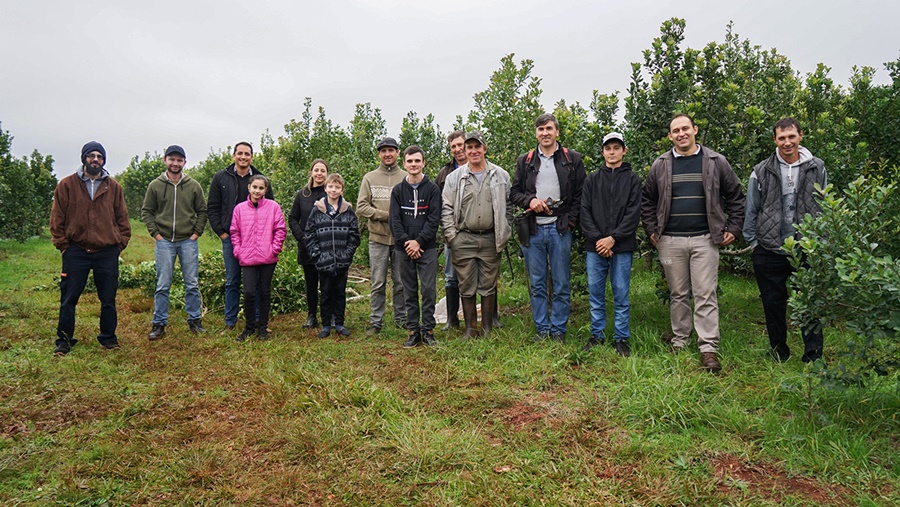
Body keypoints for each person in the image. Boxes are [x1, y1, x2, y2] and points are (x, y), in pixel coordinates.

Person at [641, 114, 745, 373]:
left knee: (705, 293)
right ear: (670, 136)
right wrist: (652, 231)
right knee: (677, 293)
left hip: (705, 239)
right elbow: (647, 201)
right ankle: (680, 339)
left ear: (695, 130)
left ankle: (708, 347)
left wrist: (733, 227)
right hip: (669, 241)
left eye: (685, 128)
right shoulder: (661, 164)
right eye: (675, 130)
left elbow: (736, 196)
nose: (681, 134)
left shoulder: (715, 161)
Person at [744, 118, 826, 363]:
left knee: (810, 303)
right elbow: (751, 208)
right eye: (782, 138)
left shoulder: (817, 167)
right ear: (775, 140)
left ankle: (813, 355)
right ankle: (779, 351)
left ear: (800, 135)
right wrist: (753, 243)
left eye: (791, 136)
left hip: (806, 247)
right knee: (773, 304)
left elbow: (823, 206)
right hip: (769, 247)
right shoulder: (761, 170)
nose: (787, 142)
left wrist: (820, 242)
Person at [49, 141, 131, 356]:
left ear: (104, 160)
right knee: (69, 298)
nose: (96, 159)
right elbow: (57, 218)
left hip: (106, 251)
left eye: (100, 156)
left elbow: (122, 218)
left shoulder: (113, 187)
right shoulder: (67, 185)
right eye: (91, 156)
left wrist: (119, 243)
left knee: (108, 298)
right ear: (84, 158)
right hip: (76, 250)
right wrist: (64, 246)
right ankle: (64, 341)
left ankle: (108, 338)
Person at [510, 113, 586, 343]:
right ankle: (542, 329)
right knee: (537, 282)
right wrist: (530, 201)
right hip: (533, 229)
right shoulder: (526, 160)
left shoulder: (572, 159)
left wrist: (570, 221)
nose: (545, 133)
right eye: (541, 129)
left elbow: (581, 195)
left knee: (562, 282)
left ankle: (559, 330)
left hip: (559, 228)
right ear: (536, 133)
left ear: (557, 132)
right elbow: (514, 193)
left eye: (549, 129)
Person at [441, 131, 511, 338]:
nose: (473, 151)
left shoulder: (501, 175)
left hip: (491, 237)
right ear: (465, 150)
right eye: (469, 147)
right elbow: (446, 208)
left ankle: (487, 328)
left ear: (484, 148)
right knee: (466, 283)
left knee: (489, 284)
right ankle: (470, 329)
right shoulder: (454, 177)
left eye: (477, 147)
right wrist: (451, 236)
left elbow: (509, 208)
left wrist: (505, 231)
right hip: (463, 237)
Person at [580, 132, 642, 356]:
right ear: (603, 152)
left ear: (624, 150)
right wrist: (599, 239)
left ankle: (621, 338)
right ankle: (597, 335)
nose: (612, 152)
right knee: (596, 294)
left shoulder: (633, 180)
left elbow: (634, 214)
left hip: (622, 246)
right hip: (595, 247)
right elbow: (584, 211)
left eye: (617, 147)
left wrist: (613, 238)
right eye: (608, 148)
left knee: (621, 293)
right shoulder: (592, 180)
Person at [141, 145, 208, 340]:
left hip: (188, 241)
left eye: (179, 160)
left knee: (192, 283)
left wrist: (196, 233)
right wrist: (156, 234)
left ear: (185, 162)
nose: (175, 163)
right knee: (163, 284)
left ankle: (195, 320)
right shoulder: (155, 185)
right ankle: (159, 323)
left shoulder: (193, 185)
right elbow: (147, 211)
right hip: (164, 242)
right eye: (172, 159)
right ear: (165, 160)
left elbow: (202, 211)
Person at [207, 142, 274, 330]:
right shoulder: (221, 177)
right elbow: (212, 206)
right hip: (231, 237)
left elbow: (271, 208)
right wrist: (221, 232)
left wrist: (269, 241)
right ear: (234, 155)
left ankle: (258, 320)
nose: (243, 157)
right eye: (240, 153)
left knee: (257, 282)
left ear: (252, 156)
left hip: (258, 240)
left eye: (247, 154)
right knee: (233, 280)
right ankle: (230, 320)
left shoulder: (261, 179)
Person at [390, 146, 442, 347]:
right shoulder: (397, 191)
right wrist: (407, 243)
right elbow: (394, 221)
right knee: (409, 289)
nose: (413, 165)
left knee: (428, 289)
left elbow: (433, 219)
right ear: (404, 164)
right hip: (403, 249)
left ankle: (428, 329)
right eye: (410, 161)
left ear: (423, 163)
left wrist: (418, 241)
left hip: (426, 248)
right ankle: (413, 330)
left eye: (417, 161)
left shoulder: (432, 189)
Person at [357, 136, 407, 335]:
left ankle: (401, 318)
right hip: (377, 238)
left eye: (391, 150)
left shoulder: (405, 176)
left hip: (400, 239)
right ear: (379, 154)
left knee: (401, 282)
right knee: (378, 281)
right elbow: (361, 207)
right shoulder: (370, 178)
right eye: (383, 151)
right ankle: (376, 320)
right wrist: (384, 216)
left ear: (397, 153)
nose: (387, 154)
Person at [230, 175, 287, 342]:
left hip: (267, 257)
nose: (257, 191)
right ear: (249, 187)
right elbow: (234, 231)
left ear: (265, 190)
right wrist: (238, 251)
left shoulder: (273, 207)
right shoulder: (239, 209)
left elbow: (280, 229)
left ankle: (262, 327)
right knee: (248, 292)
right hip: (247, 257)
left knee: (264, 291)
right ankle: (249, 327)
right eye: (254, 187)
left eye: (261, 188)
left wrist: (274, 249)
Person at [305, 174, 360, 338]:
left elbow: (354, 236)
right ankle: (326, 324)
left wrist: (347, 255)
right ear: (325, 188)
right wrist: (317, 255)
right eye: (330, 187)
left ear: (342, 189)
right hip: (324, 261)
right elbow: (309, 234)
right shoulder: (317, 210)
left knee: (340, 292)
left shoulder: (348, 211)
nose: (333, 190)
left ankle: (340, 323)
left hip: (342, 262)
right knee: (326, 292)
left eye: (337, 187)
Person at [288, 159, 328, 329]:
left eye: (323, 170)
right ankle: (312, 316)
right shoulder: (302, 194)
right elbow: (293, 218)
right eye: (316, 170)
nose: (319, 173)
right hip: (307, 246)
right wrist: (302, 238)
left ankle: (329, 316)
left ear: (327, 174)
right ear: (311, 172)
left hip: (327, 246)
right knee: (311, 283)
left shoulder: (331, 193)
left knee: (327, 283)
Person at [434, 130, 467, 330]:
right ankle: (452, 319)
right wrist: (446, 228)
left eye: (460, 145)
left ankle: (491, 318)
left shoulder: (480, 167)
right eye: (453, 146)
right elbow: (436, 204)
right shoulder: (444, 173)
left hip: (477, 231)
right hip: (451, 232)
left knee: (481, 276)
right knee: (451, 275)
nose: (457, 149)